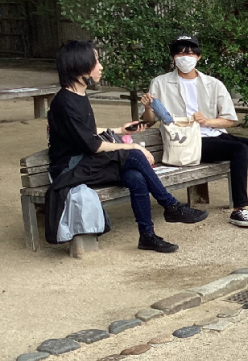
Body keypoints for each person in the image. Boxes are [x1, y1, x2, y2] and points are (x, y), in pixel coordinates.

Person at [47, 41, 208, 252]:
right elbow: (93, 145)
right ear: (80, 66)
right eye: (96, 61)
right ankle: (171, 206)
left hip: (87, 163)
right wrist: (134, 148)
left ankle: (147, 236)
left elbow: (86, 131)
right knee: (133, 155)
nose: (101, 67)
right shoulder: (65, 102)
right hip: (70, 168)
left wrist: (120, 130)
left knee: (135, 176)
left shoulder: (78, 95)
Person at [141, 36, 248, 228]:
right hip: (185, 142)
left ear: (198, 57)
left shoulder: (212, 84)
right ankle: (239, 209)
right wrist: (148, 108)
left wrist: (207, 121)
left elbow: (229, 119)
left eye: (190, 53)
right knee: (239, 149)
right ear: (173, 57)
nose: (185, 57)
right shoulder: (160, 83)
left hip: (214, 135)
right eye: (180, 53)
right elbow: (150, 121)